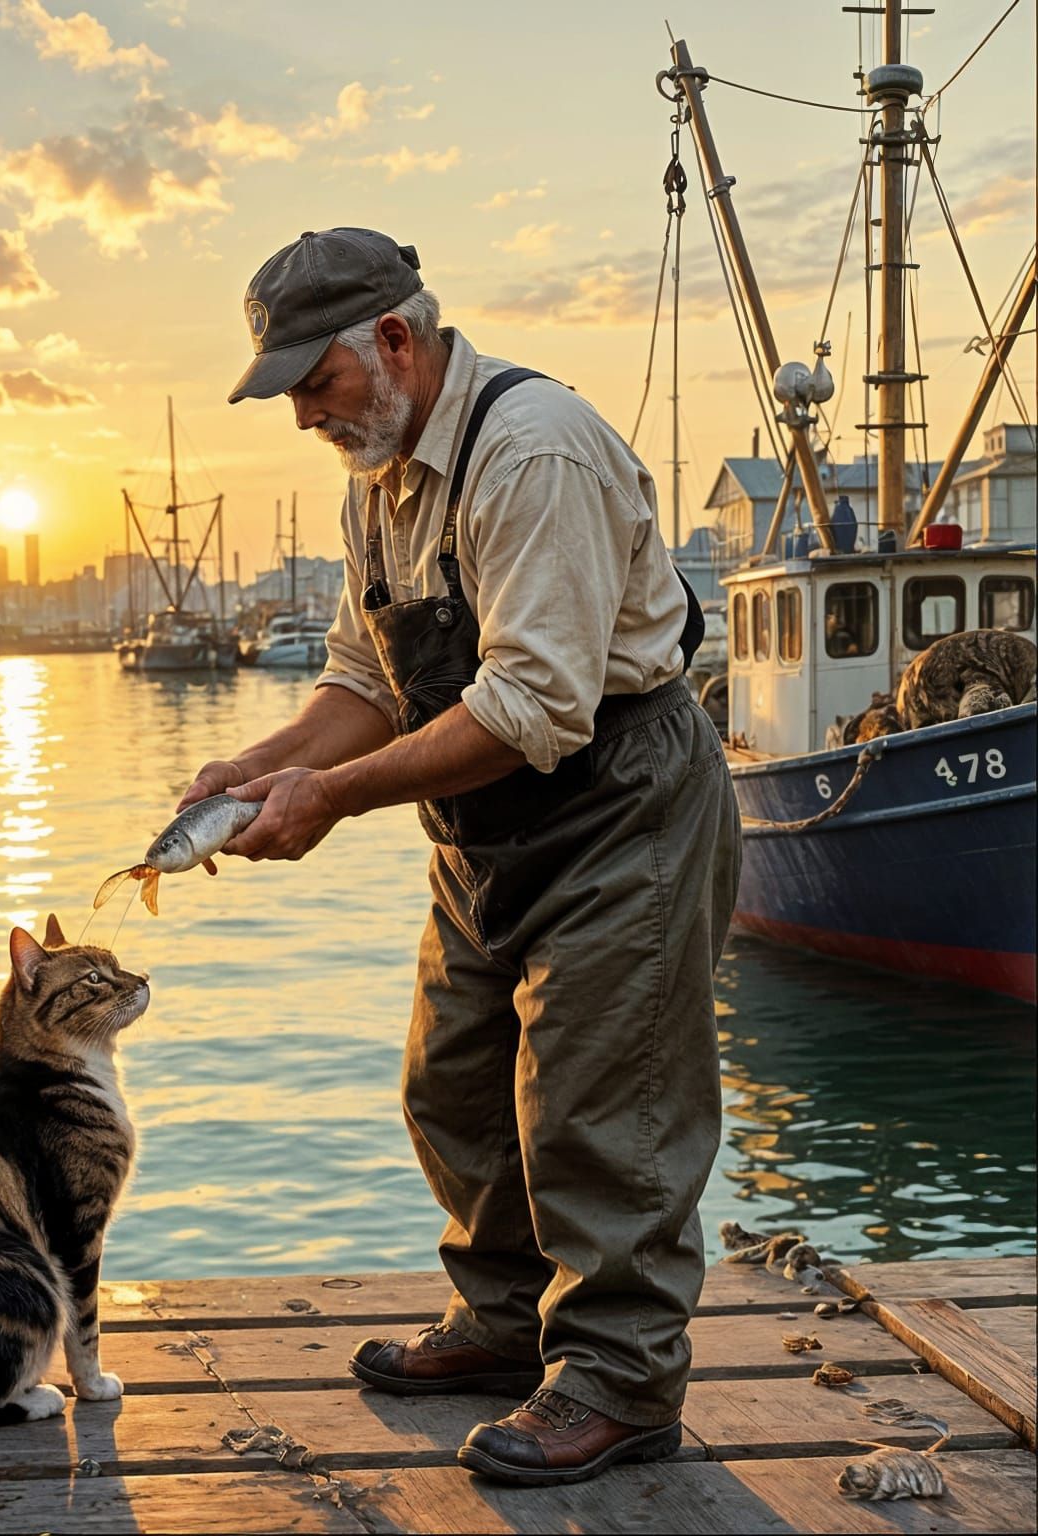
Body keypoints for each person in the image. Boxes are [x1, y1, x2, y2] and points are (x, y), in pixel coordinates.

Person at [180, 228, 742, 1489]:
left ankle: (619, 1380)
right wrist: (260, 769)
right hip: (486, 830)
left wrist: (326, 798)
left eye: (311, 384)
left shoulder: (532, 450)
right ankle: (501, 1327)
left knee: (604, 1111)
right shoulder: (375, 477)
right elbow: (360, 683)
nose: (303, 416)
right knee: (455, 1086)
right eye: (286, 394)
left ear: (394, 339)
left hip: (621, 808)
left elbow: (534, 705)